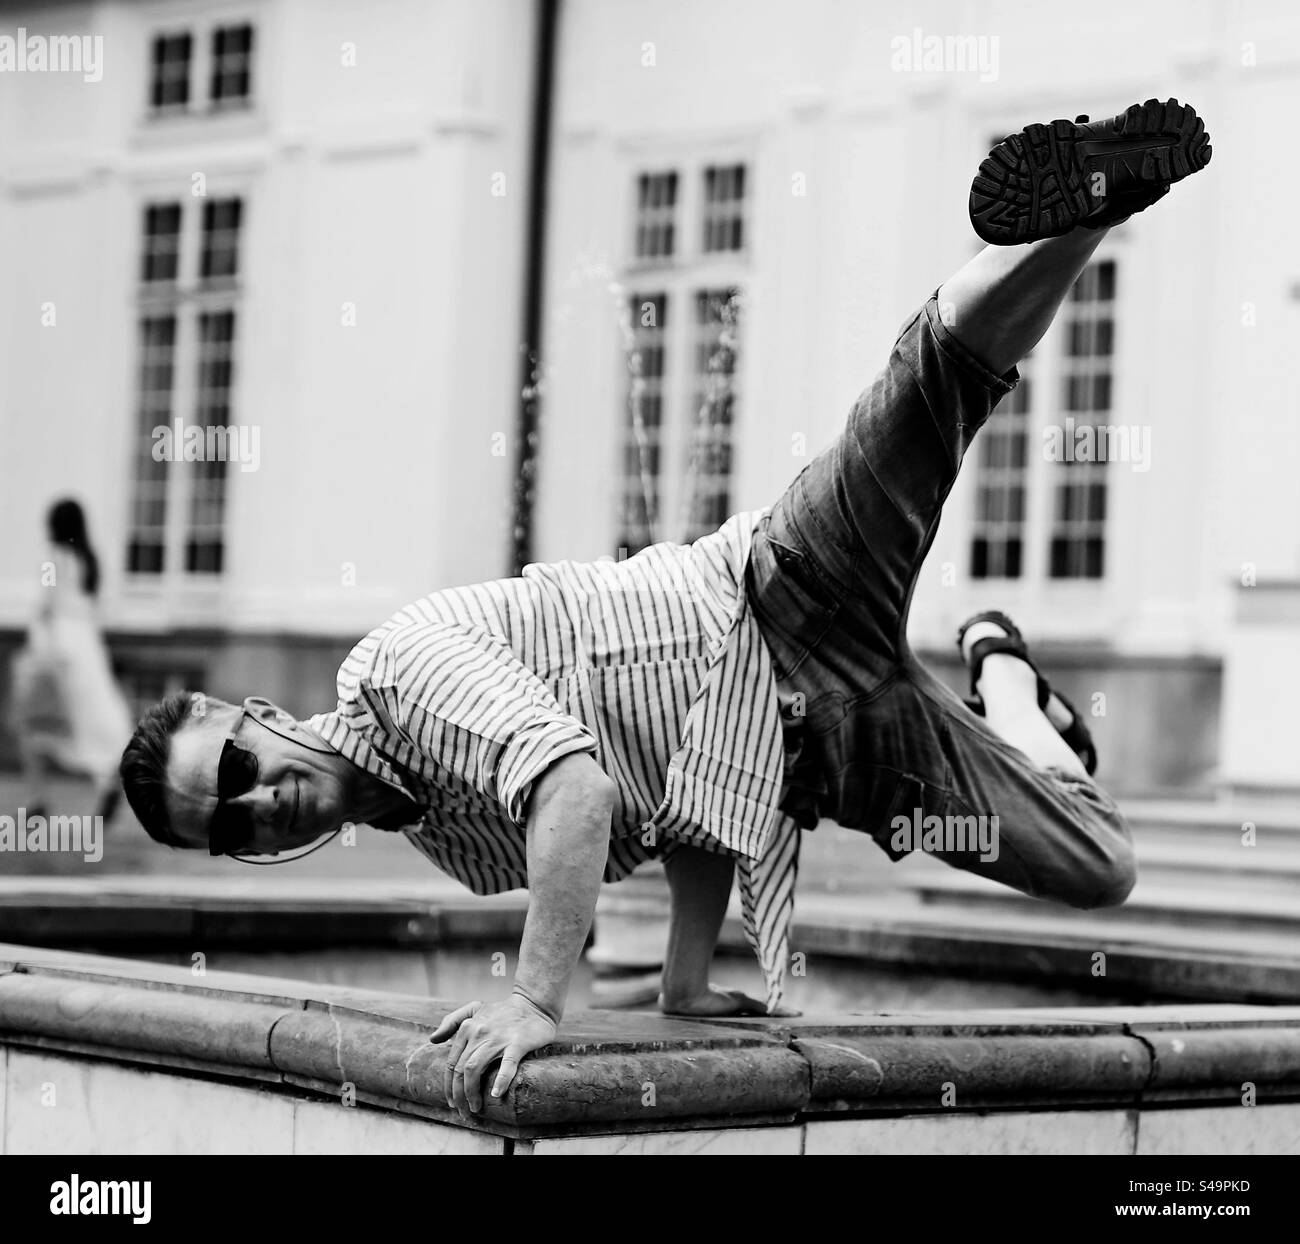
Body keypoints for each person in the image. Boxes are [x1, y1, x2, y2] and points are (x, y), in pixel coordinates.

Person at [118, 98, 1211, 1120]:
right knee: (1097, 863)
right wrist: (685, 981)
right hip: (822, 748)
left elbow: (580, 789)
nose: (252, 804)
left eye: (230, 770)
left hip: (776, 590)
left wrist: (539, 999)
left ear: (253, 712)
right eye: (222, 827)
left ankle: (1090, 201)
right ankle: (1006, 673)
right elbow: (684, 792)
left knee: (930, 390)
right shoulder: (457, 846)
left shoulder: (399, 676)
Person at [10, 498, 132, 823]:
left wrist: (39, 650)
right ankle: (108, 780)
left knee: (36, 723)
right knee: (94, 722)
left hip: (58, 647)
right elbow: (92, 607)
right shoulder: (88, 561)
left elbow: (47, 604)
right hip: (88, 647)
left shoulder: (54, 561)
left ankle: (37, 798)